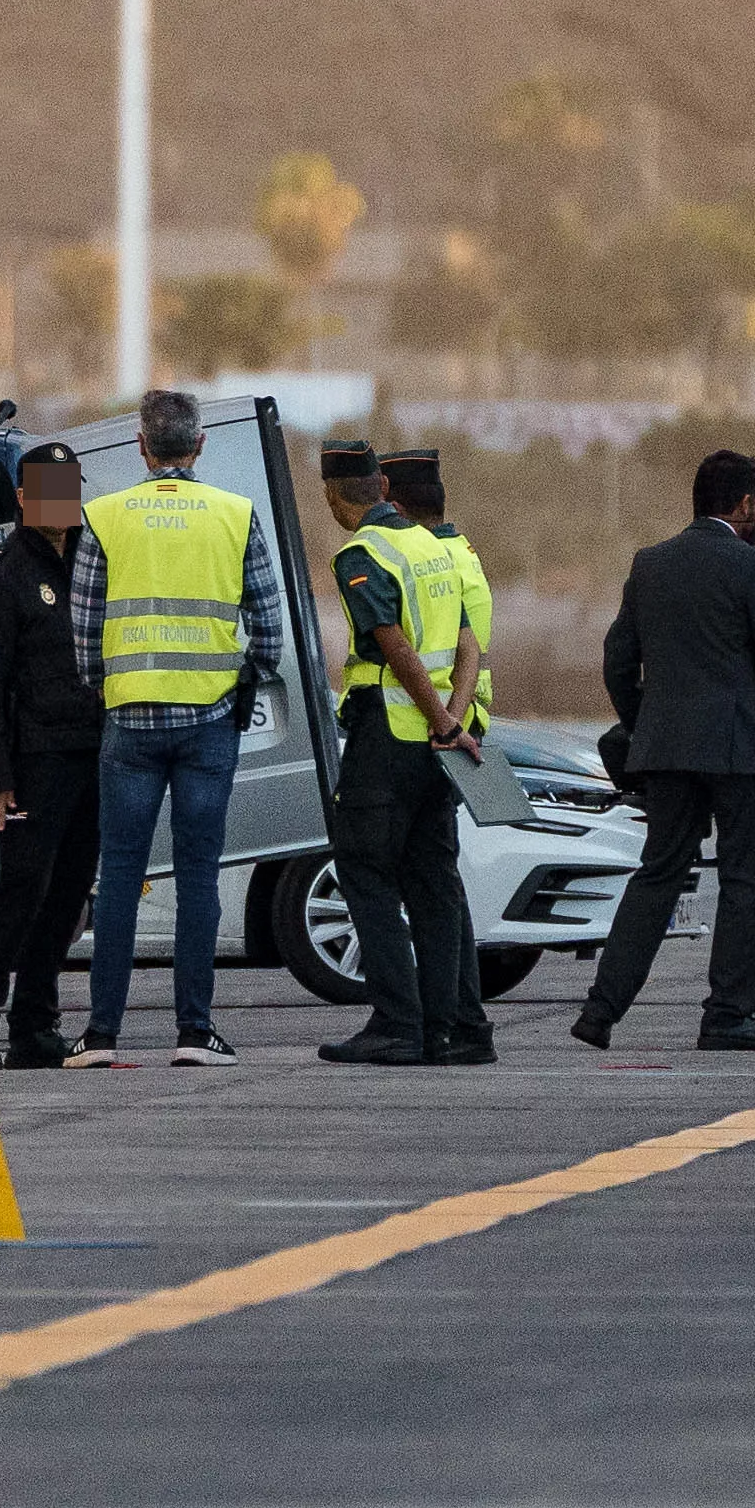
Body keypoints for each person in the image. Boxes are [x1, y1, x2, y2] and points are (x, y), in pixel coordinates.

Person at [66, 388, 286, 1067]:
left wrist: (108, 686)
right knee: (197, 877)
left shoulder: (103, 515)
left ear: (140, 445)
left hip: (128, 720)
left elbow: (82, 630)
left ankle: (100, 1034)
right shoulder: (234, 514)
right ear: (199, 445)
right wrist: (238, 679)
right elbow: (269, 630)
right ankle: (194, 1030)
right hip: (208, 720)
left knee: (119, 874)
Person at [577, 448, 755, 1052]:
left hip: (666, 749)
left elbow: (618, 660)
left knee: (657, 876)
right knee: (745, 879)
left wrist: (646, 726)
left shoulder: (650, 564)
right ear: (745, 503)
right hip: (740, 749)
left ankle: (600, 1011)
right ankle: (727, 1013)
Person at [315, 442, 493, 1066]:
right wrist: (457, 719)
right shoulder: (433, 546)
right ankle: (448, 1030)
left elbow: (392, 645)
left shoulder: (361, 553)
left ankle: (397, 1022)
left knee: (363, 869)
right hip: (437, 746)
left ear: (334, 494)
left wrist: (440, 716)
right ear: (381, 484)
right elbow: (469, 640)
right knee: (433, 881)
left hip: (389, 736)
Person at [0, 442, 102, 1069]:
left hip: (92, 752)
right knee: (22, 889)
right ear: (22, 497)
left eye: (68, 488)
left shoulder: (94, 562)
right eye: (46, 489)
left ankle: (35, 1024)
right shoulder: (1, 573)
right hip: (33, 760)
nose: (59, 502)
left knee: (69, 893)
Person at [382, 448, 492, 730]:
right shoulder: (458, 548)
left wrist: (447, 725)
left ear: (395, 510)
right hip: (460, 714)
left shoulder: (430, 559)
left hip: (441, 720)